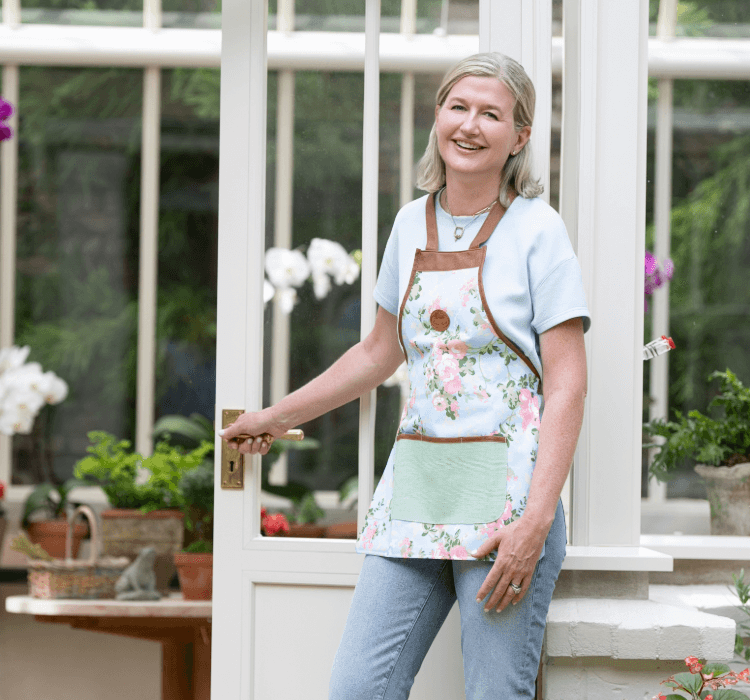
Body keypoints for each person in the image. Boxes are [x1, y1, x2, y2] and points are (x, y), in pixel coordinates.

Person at [221, 52, 589, 700]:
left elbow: (568, 384)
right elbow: (378, 353)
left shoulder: (539, 232)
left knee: (493, 694)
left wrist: (535, 521)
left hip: (507, 500)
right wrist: (273, 418)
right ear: (438, 117)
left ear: (520, 137)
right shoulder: (408, 225)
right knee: (358, 690)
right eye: (458, 107)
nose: (470, 125)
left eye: (491, 114)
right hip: (419, 488)